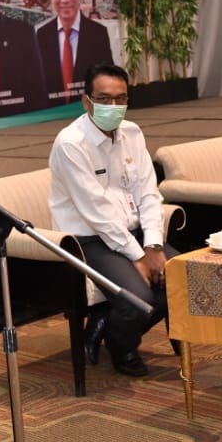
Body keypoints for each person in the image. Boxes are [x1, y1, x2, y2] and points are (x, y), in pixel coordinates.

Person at [48, 63, 179, 377]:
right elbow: (97, 214)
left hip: (132, 232)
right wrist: (138, 257)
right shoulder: (71, 144)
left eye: (121, 99)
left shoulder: (132, 133)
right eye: (104, 99)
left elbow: (149, 193)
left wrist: (153, 244)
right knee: (137, 299)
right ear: (86, 101)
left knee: (183, 277)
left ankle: (105, 323)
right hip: (87, 239)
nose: (114, 106)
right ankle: (122, 346)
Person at [36, 0, 114, 104]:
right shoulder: (41, 36)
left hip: (89, 111)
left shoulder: (98, 34)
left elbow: (107, 80)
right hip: (53, 114)